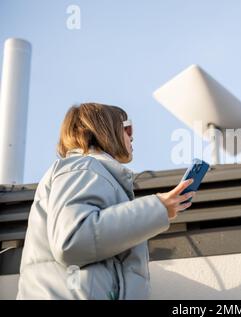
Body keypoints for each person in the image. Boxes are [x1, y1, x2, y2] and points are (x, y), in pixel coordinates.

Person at [16, 102, 195, 299]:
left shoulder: (94, 174)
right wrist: (158, 208)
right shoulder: (82, 167)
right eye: (127, 128)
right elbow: (72, 238)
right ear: (104, 129)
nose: (132, 135)